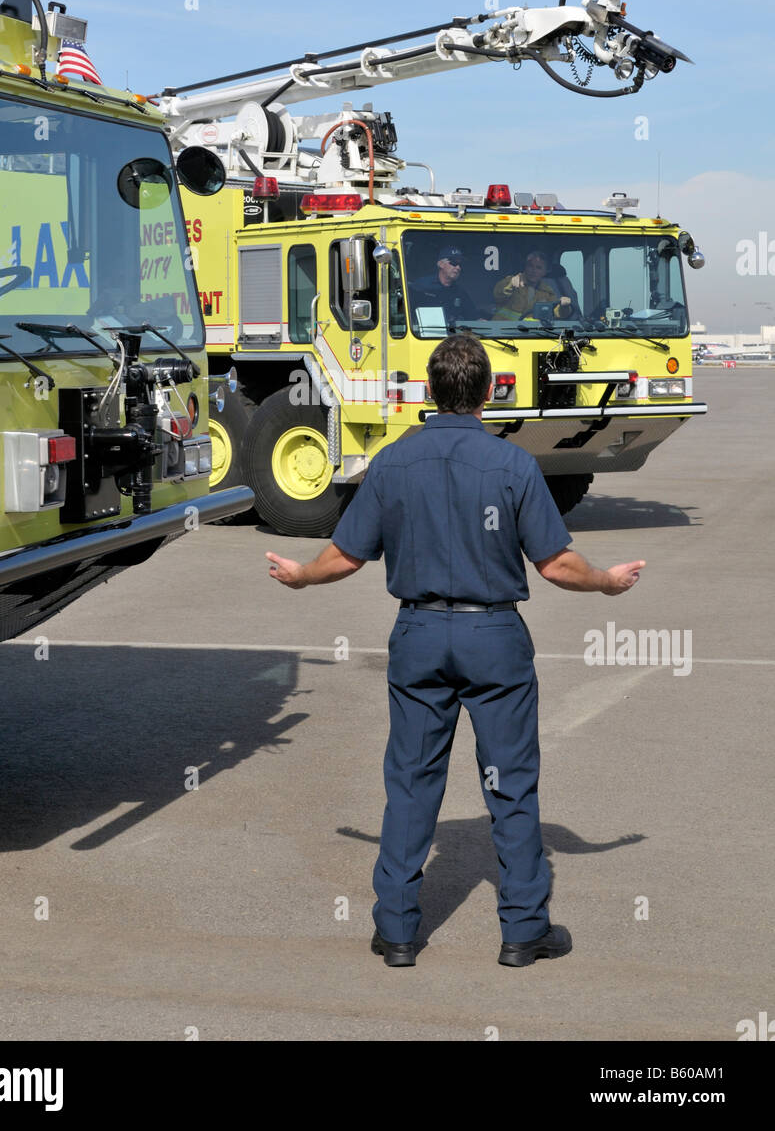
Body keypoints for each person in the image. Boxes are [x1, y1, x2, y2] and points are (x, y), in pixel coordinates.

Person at [266, 333, 645, 968]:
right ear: (489, 392)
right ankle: (523, 932)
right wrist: (608, 583)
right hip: (492, 638)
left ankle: (397, 933)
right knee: (512, 786)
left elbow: (345, 555)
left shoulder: (391, 462)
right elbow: (555, 565)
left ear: (431, 391)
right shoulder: (513, 465)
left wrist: (302, 575)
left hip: (418, 636)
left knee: (411, 783)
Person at [493, 248, 573, 321]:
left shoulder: (547, 292)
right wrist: (510, 284)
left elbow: (557, 313)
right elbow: (498, 293)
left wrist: (564, 306)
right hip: (503, 333)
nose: (534, 270)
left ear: (544, 272)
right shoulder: (512, 281)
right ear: (525, 267)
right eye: (530, 266)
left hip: (532, 334)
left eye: (539, 268)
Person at [411, 245, 479, 328]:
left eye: (460, 264)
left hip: (452, 338)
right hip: (421, 337)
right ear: (440, 264)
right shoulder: (421, 286)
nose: (458, 268)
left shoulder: (460, 293)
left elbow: (473, 318)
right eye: (454, 263)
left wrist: (481, 322)